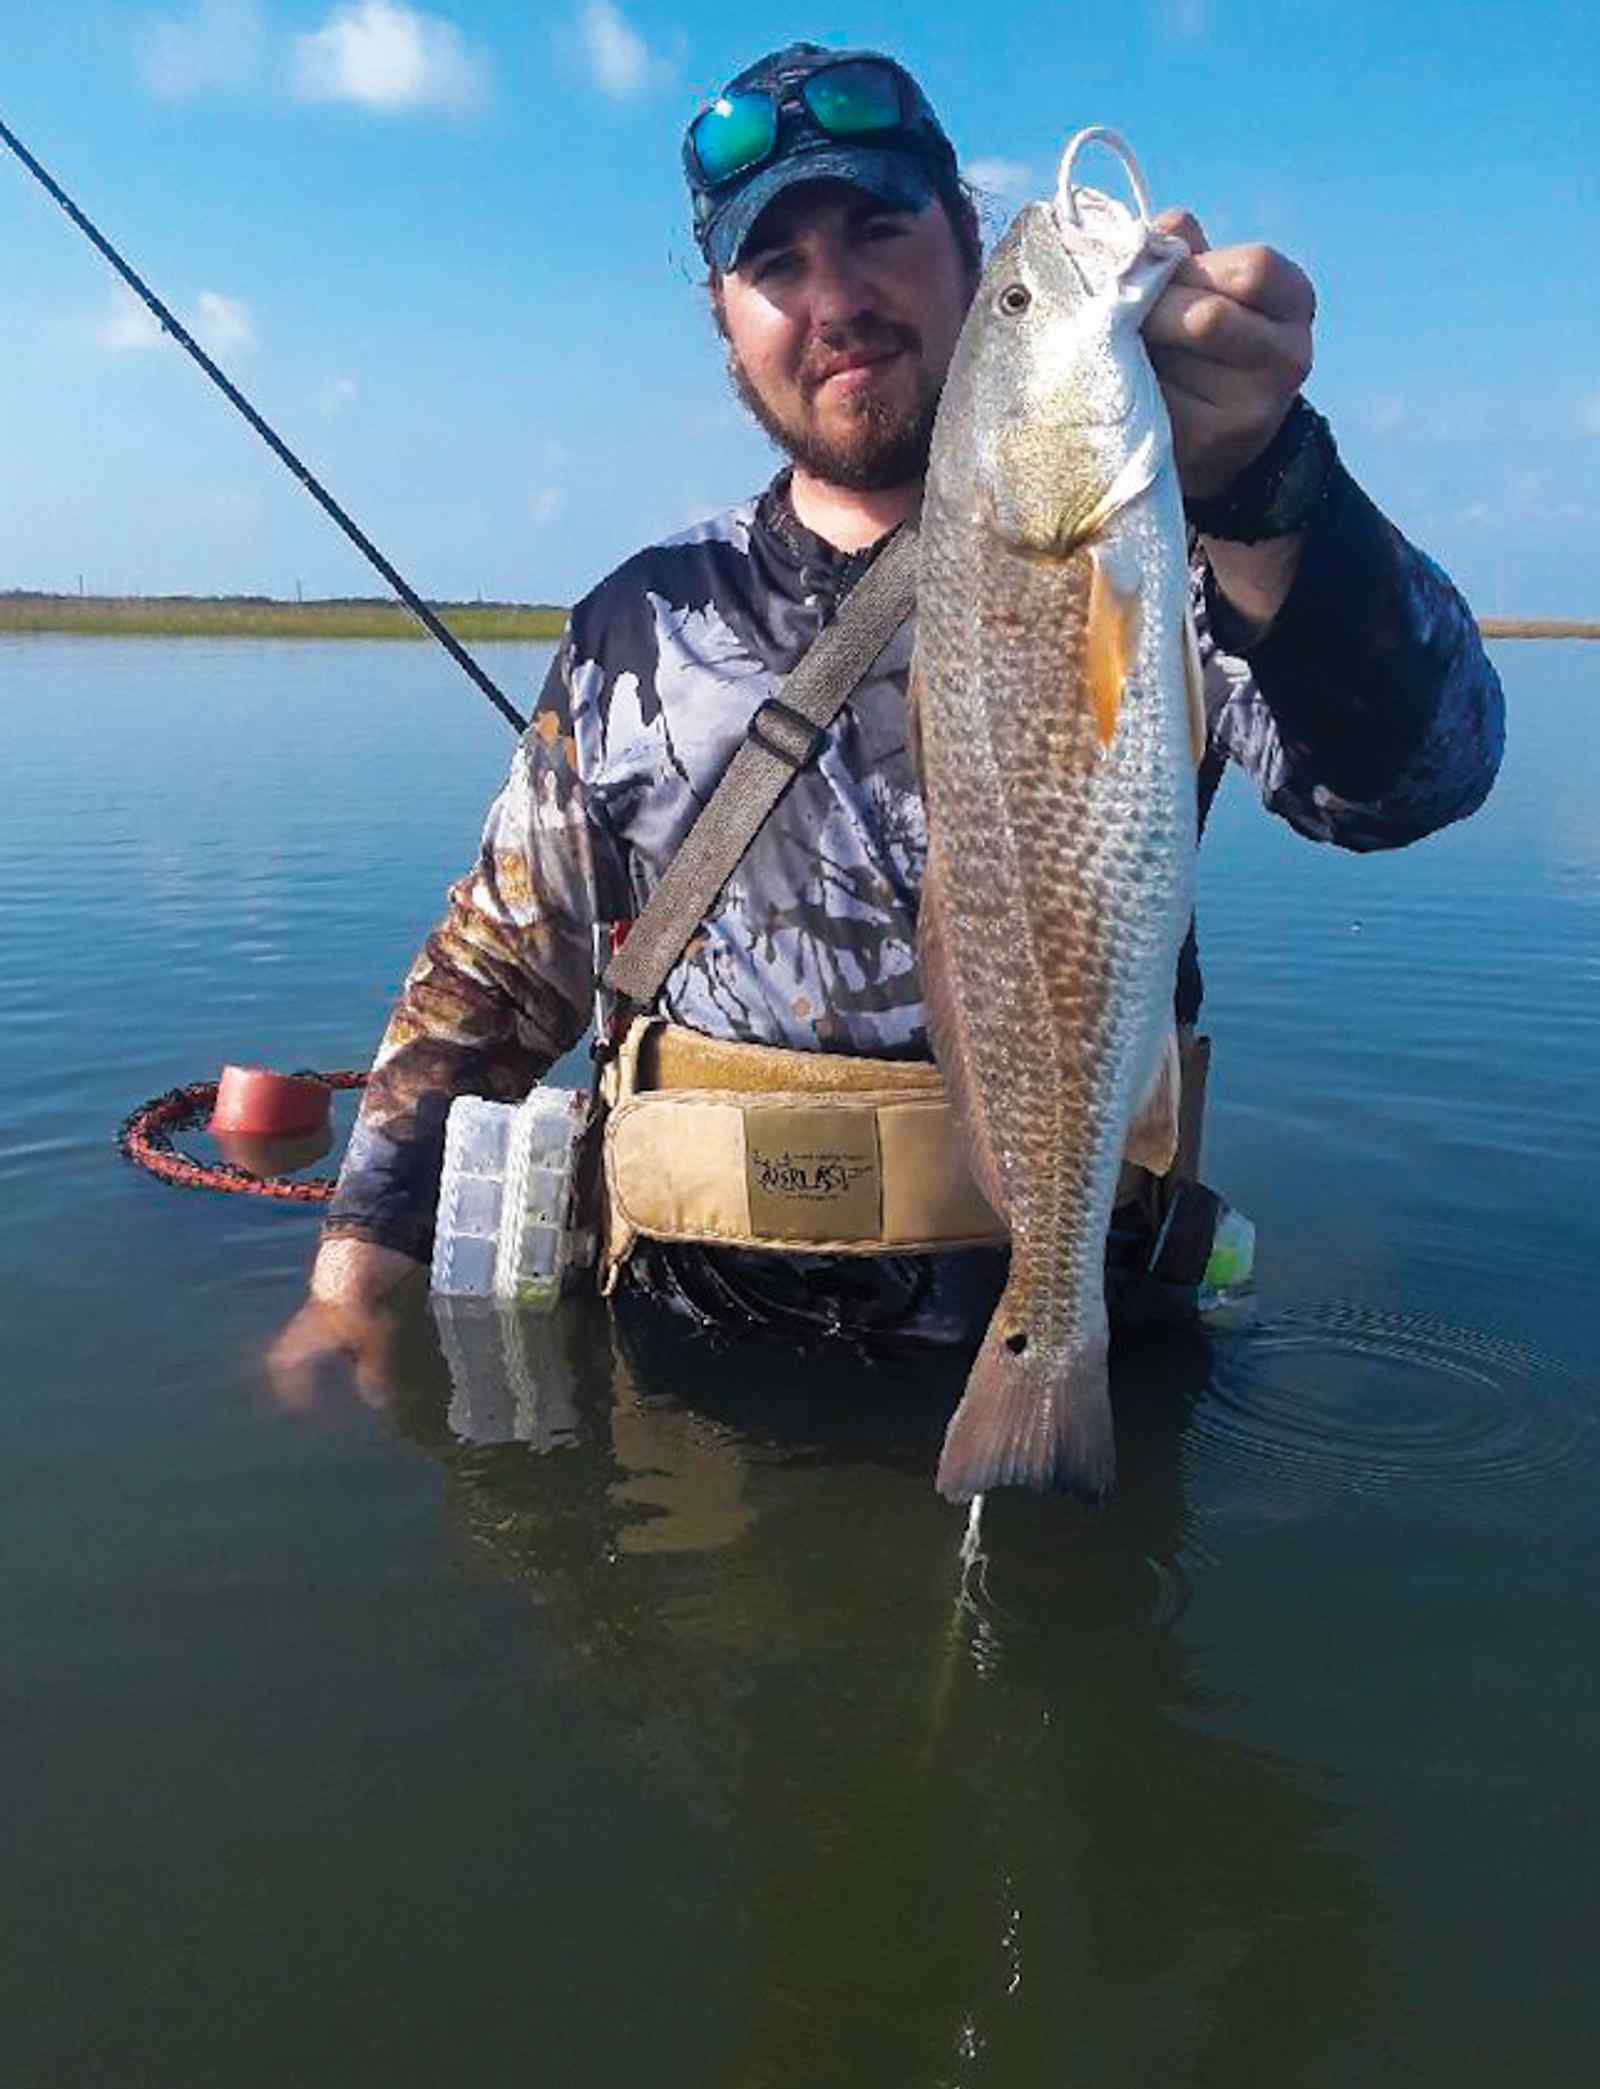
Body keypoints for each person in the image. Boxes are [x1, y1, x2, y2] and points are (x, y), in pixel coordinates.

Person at [270, 41, 1504, 1404]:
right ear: (724, 318)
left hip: (1093, 1339)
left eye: (876, 231)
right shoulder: (637, 625)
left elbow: (1415, 781)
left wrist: (1270, 487)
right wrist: (353, 1273)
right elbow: (503, 969)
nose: (837, 300)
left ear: (965, 243)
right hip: (693, 1368)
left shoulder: (1167, 562)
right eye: (776, 266)